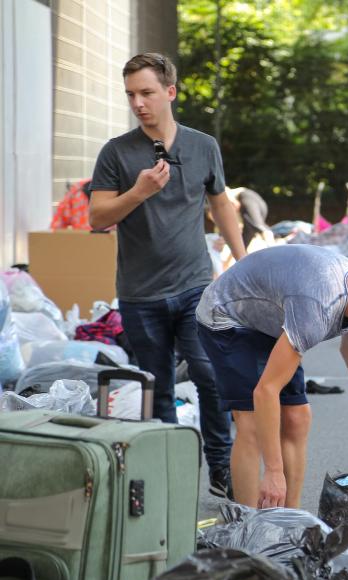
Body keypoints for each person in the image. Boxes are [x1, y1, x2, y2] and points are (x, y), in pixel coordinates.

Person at [89, 53, 246, 499]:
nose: (138, 103)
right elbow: (98, 216)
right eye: (131, 95)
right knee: (155, 390)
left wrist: (244, 260)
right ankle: (172, 473)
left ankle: (221, 465)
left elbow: (221, 205)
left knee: (211, 376)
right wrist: (137, 192)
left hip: (196, 284)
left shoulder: (203, 146)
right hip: (140, 294)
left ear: (170, 92)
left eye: (147, 93)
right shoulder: (117, 152)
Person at [196, 245, 348, 508]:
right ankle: (247, 527)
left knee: (297, 417)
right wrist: (273, 470)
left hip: (269, 319)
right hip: (226, 316)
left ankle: (290, 521)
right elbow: (266, 391)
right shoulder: (318, 306)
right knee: (251, 424)